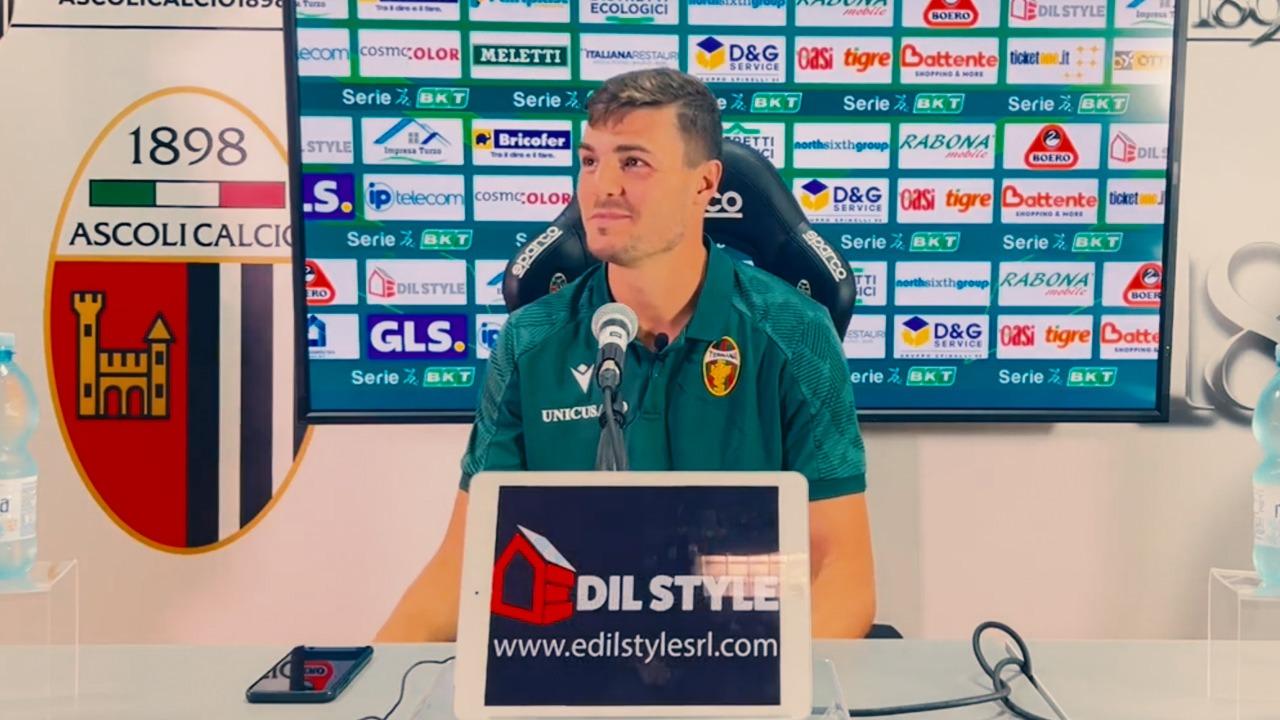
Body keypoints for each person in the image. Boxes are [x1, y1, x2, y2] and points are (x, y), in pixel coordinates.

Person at [377, 68, 875, 641]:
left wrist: (770, 680)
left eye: (633, 162)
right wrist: (370, 673)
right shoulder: (529, 340)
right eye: (590, 161)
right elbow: (463, 566)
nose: (601, 186)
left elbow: (841, 572)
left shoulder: (795, 333)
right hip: (574, 658)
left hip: (740, 648)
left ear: (704, 184)